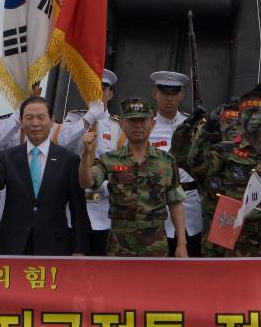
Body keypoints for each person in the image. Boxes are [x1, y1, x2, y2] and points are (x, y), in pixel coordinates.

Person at [193, 91, 261, 257]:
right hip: (235, 236)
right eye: (247, 113)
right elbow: (198, 167)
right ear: (240, 118)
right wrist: (207, 132)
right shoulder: (224, 150)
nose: (252, 118)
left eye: (257, 112)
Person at [79, 97, 185, 257]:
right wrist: (86, 154)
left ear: (153, 123)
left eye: (142, 120)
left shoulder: (166, 161)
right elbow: (86, 182)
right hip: (119, 244)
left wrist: (181, 245)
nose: (137, 125)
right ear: (122, 124)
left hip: (156, 245)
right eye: (132, 120)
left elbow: (175, 203)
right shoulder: (109, 159)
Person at [0, 96, 90, 256]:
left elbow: (78, 208)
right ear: (21, 121)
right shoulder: (7, 157)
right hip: (12, 244)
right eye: (29, 118)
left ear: (52, 120)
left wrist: (79, 249)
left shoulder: (69, 159)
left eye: (41, 117)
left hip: (54, 245)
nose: (35, 123)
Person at [58, 69, 123, 255]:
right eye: (92, 88)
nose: (97, 92)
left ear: (110, 93)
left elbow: (123, 161)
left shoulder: (119, 126)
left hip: (105, 205)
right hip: (74, 205)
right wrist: (89, 118)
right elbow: (62, 143)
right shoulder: (74, 120)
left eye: (102, 88)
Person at [150, 71, 203, 257]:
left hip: (190, 201)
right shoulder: (146, 127)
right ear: (155, 94)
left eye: (174, 94)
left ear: (182, 95)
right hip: (159, 204)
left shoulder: (196, 126)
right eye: (164, 93)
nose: (169, 98)